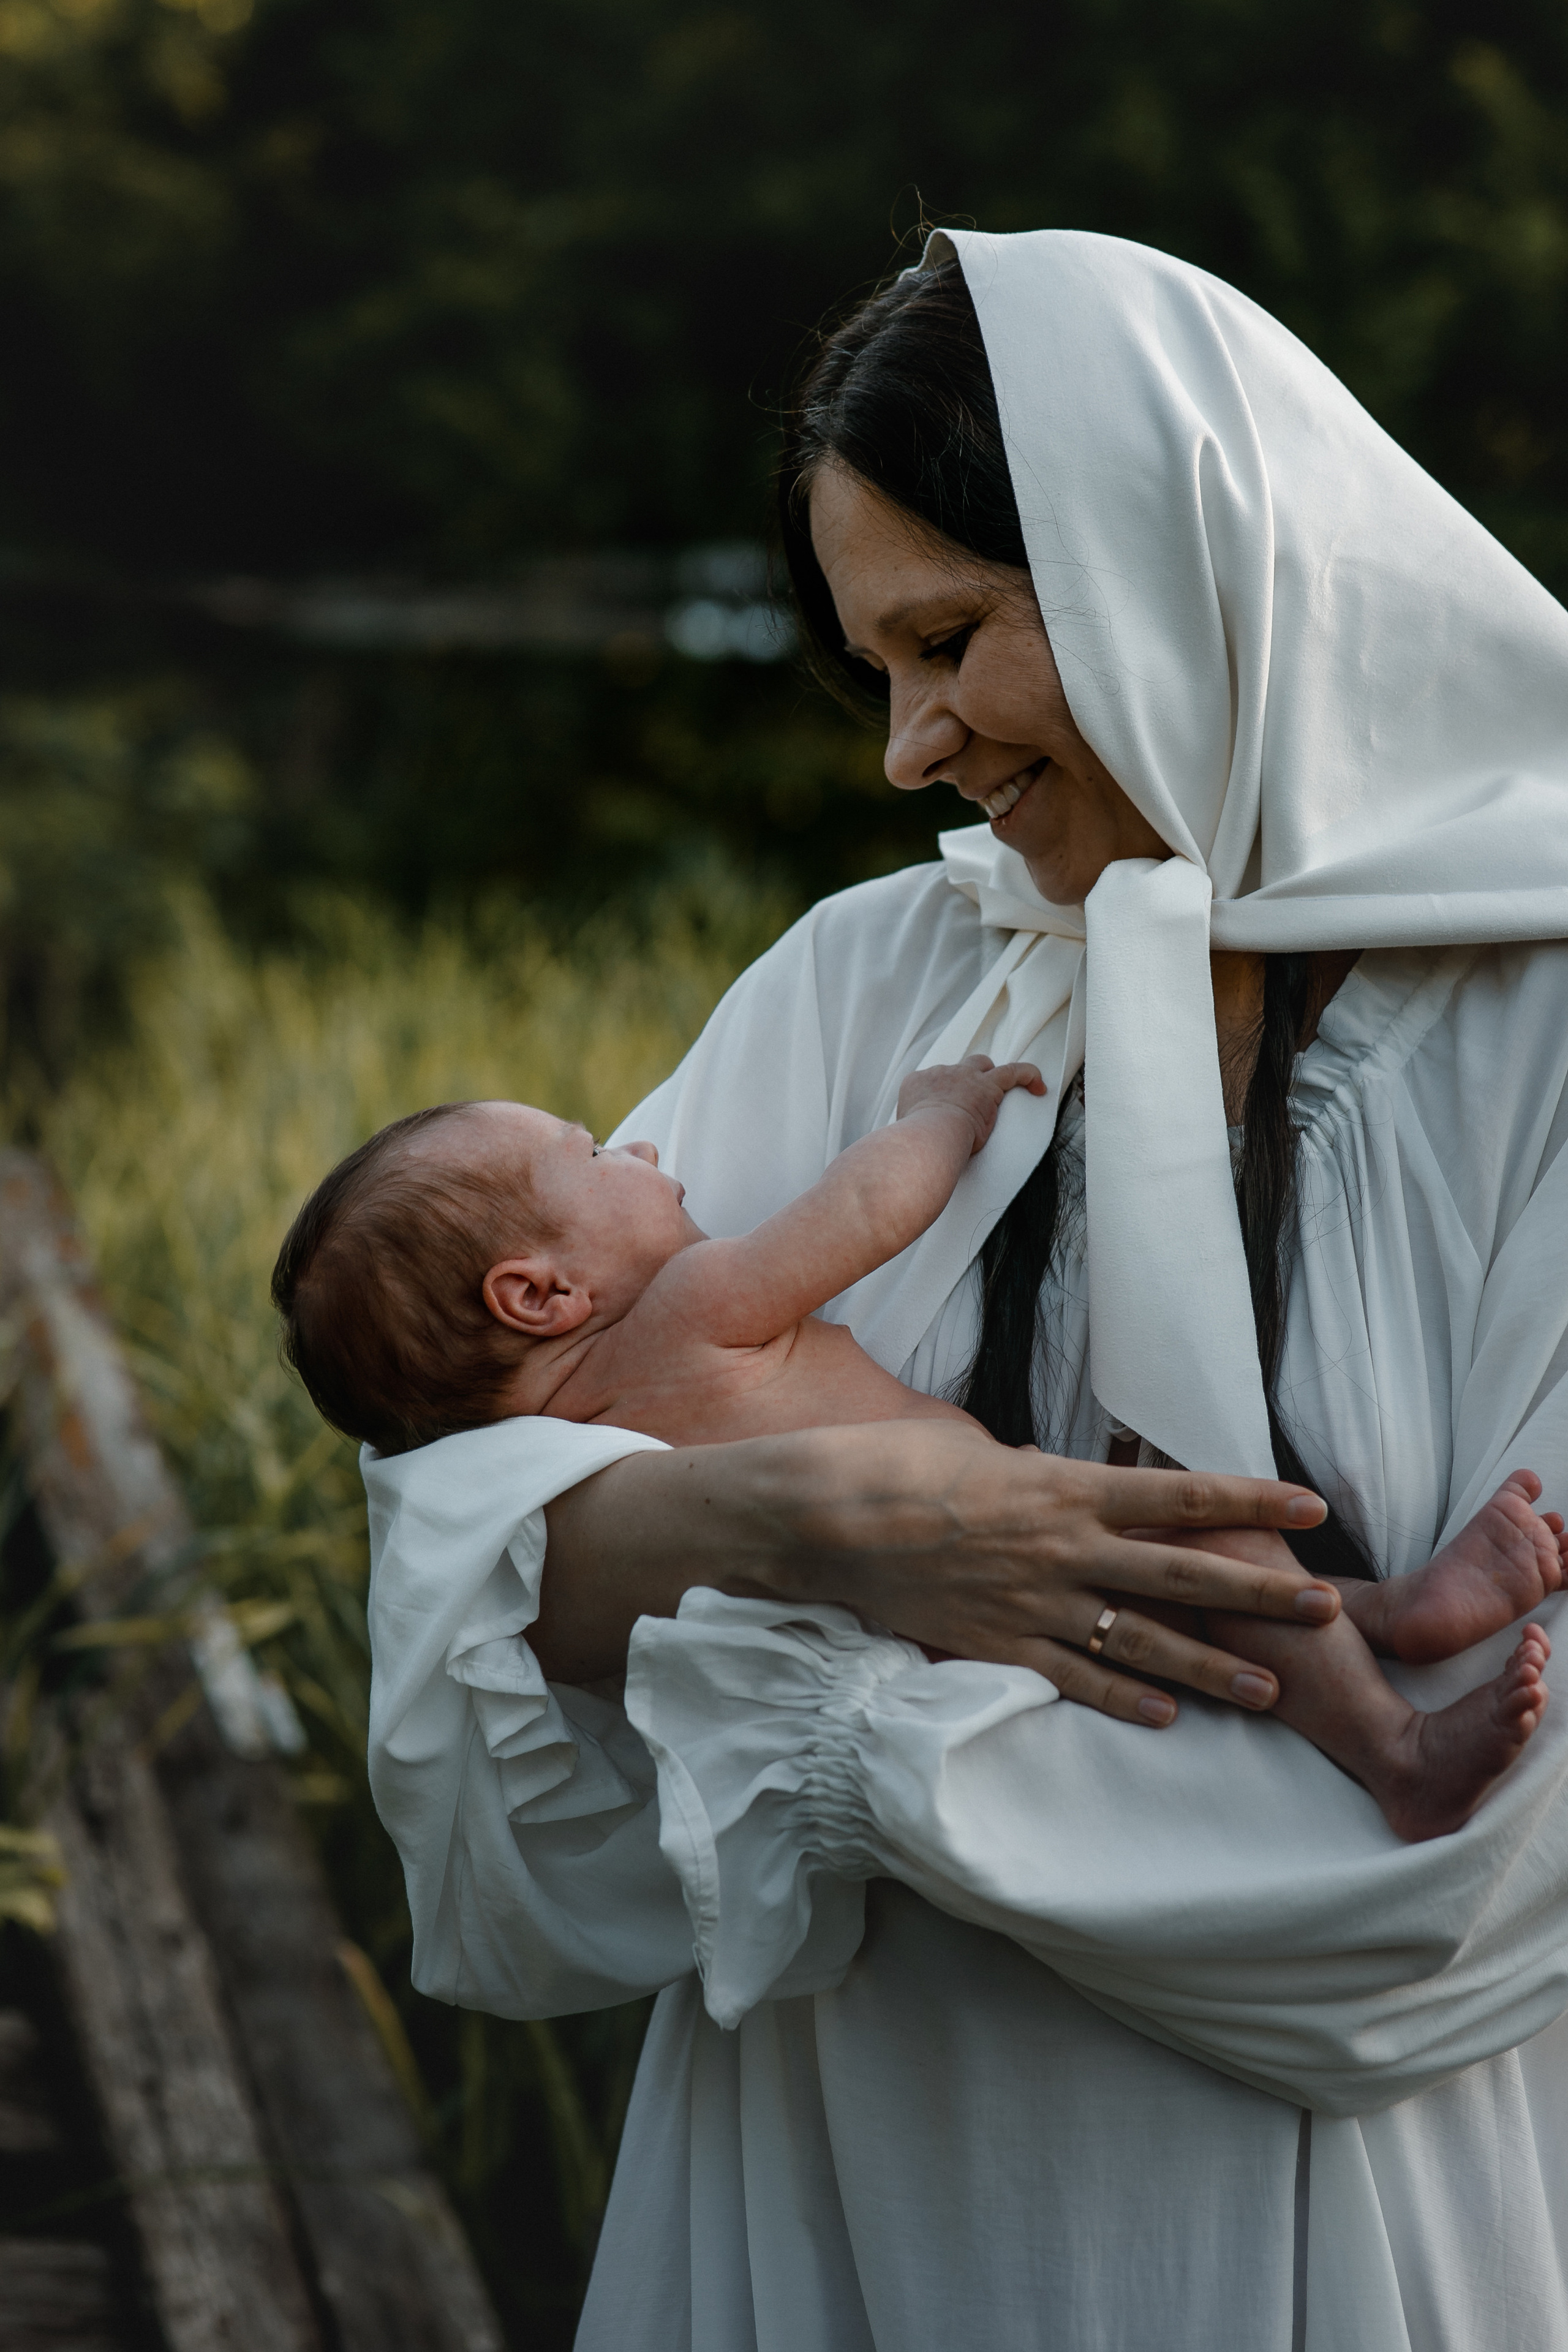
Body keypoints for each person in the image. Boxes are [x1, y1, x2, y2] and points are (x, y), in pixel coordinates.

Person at [363, 229, 1568, 2350]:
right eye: (879, 665)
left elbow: (1447, 1901)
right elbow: (457, 1535)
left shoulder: (1537, 1032)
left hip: (1300, 2224)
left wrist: (835, 1736)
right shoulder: (881, 979)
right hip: (829, 2179)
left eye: (952, 638)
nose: (909, 747)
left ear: (1175, 559)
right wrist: (803, 1523)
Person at [280, 1072, 1562, 1842]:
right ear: (539, 1295)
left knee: (1183, 1586)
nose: (646, 1149)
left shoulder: (567, 1461)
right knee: (1206, 1532)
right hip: (1002, 1544)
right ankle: (1395, 1734)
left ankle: (1381, 1626)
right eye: (594, 1152)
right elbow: (867, 1211)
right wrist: (937, 1114)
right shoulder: (684, 1310)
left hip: (930, 1652)